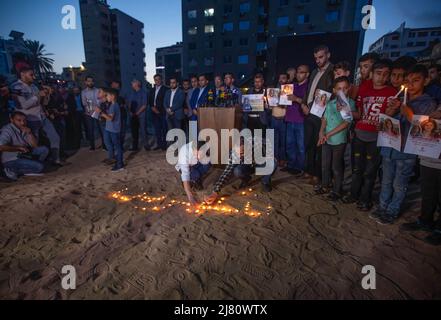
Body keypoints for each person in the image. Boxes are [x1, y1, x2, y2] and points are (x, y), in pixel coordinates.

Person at [342, 59, 398, 211]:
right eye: (378, 73)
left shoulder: (392, 93)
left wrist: (393, 110)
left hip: (377, 137)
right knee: (357, 168)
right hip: (360, 134)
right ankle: (354, 194)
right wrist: (345, 110)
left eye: (386, 74)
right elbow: (359, 113)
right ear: (372, 74)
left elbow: (388, 117)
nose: (382, 77)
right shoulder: (364, 89)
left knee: (370, 170)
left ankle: (365, 198)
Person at [204, 135, 277, 205]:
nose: (239, 156)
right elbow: (226, 173)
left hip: (259, 163)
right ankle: (246, 179)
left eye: (242, 153)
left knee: (273, 162)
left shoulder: (256, 142)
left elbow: (268, 142)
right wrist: (215, 192)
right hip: (247, 166)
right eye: (237, 153)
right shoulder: (234, 155)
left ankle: (265, 181)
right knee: (237, 171)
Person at [317, 76, 358, 201]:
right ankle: (325, 185)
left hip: (339, 140)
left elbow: (346, 123)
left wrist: (329, 134)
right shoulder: (330, 103)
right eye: (339, 89)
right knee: (325, 164)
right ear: (334, 90)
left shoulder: (350, 104)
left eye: (345, 88)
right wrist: (321, 132)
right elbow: (325, 119)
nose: (342, 91)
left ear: (349, 88)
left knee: (336, 166)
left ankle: (336, 190)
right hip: (326, 139)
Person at [11, 67, 61, 165]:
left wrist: (47, 95)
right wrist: (38, 95)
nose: (33, 77)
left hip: (42, 117)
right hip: (30, 119)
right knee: (34, 144)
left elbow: (42, 103)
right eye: (31, 75)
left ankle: (56, 159)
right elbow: (24, 105)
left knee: (55, 137)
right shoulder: (16, 87)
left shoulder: (34, 86)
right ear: (22, 74)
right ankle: (36, 164)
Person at [303, 45, 334, 190]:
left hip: (322, 113)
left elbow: (332, 94)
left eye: (321, 57)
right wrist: (304, 104)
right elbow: (309, 90)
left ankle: (317, 174)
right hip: (309, 111)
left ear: (328, 55)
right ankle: (309, 171)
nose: (318, 60)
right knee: (309, 144)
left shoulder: (332, 71)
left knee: (319, 146)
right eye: (316, 58)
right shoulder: (315, 71)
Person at [0, 111, 49, 181]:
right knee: (40, 167)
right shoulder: (7, 130)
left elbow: (35, 146)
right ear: (11, 120)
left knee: (44, 149)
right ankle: (11, 170)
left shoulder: (24, 128)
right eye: (19, 120)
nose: (22, 123)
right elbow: (1, 147)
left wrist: (29, 133)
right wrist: (18, 148)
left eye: (24, 120)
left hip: (24, 155)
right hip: (12, 159)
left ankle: (29, 168)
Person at [284, 64, 309, 176]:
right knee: (289, 144)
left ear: (307, 74)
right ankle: (291, 165)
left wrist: (296, 99)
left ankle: (300, 168)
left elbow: (309, 103)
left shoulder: (309, 87)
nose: (299, 74)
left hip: (301, 121)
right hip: (289, 119)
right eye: (298, 72)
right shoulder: (291, 86)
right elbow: (284, 101)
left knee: (301, 147)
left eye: (302, 72)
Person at [96, 88, 124, 172]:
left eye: (107, 95)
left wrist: (100, 112)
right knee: (110, 144)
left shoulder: (114, 106)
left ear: (112, 96)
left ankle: (119, 165)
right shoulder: (112, 105)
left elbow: (110, 118)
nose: (106, 97)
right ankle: (113, 160)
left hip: (114, 130)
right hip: (109, 129)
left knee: (118, 147)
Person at [271, 73, 289, 167]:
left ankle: (282, 159)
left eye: (283, 78)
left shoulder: (288, 90)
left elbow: (288, 105)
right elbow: (270, 106)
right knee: (275, 141)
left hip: (283, 120)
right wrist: (268, 105)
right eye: (280, 78)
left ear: (287, 79)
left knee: (283, 141)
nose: (281, 80)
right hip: (274, 118)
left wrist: (283, 103)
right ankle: (275, 159)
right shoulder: (273, 90)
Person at [81, 75, 103, 151]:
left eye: (92, 81)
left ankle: (104, 145)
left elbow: (100, 101)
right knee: (90, 130)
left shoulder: (97, 90)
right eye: (89, 81)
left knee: (101, 129)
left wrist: (96, 107)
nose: (90, 82)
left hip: (98, 112)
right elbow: (84, 103)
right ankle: (92, 146)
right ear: (86, 82)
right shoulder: (83, 92)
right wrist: (90, 109)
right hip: (89, 113)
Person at [127, 79, 148, 152]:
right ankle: (135, 146)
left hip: (141, 115)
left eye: (132, 83)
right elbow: (129, 103)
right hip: (132, 115)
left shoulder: (143, 93)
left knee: (143, 130)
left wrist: (136, 113)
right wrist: (130, 111)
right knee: (134, 131)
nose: (131, 85)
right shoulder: (131, 93)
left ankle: (146, 145)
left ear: (137, 84)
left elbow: (144, 105)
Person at [149, 74, 168, 151]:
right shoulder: (152, 90)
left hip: (162, 112)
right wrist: (152, 107)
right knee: (157, 130)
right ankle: (159, 144)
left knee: (164, 129)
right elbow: (150, 100)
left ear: (161, 80)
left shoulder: (166, 89)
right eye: (156, 80)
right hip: (154, 112)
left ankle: (164, 145)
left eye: (159, 79)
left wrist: (158, 110)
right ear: (154, 81)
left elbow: (166, 101)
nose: (157, 81)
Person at [111, 80, 127, 151]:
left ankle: (120, 146)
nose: (112, 85)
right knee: (116, 133)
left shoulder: (122, 94)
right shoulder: (110, 97)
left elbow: (125, 104)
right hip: (115, 117)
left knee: (122, 132)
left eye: (113, 83)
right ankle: (118, 146)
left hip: (122, 116)